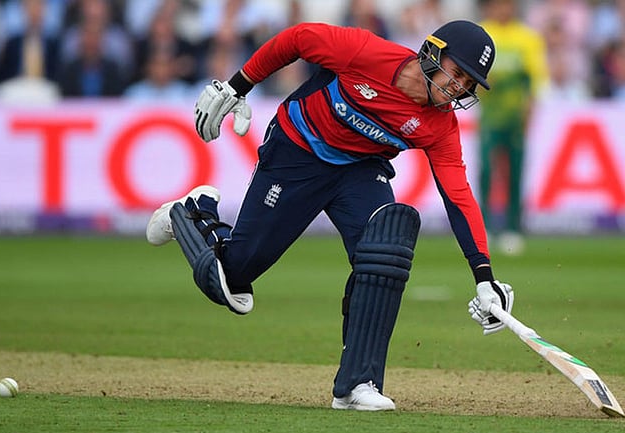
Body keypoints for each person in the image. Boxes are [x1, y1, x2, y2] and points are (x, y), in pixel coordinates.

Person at [146, 20, 514, 411]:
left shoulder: (440, 126)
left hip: (360, 170)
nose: (459, 87)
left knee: (385, 247)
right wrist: (238, 86)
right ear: (432, 54)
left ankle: (357, 384)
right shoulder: (365, 52)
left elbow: (458, 195)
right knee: (232, 279)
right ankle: (193, 213)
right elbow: (297, 38)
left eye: (469, 82)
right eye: (457, 72)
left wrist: (484, 277)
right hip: (297, 150)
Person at [477, 0, 549, 255]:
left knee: (515, 172)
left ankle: (513, 228)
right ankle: (483, 226)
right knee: (486, 171)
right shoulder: (483, 33)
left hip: (515, 118)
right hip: (489, 117)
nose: (503, 9)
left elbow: (536, 79)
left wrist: (530, 112)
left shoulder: (527, 38)